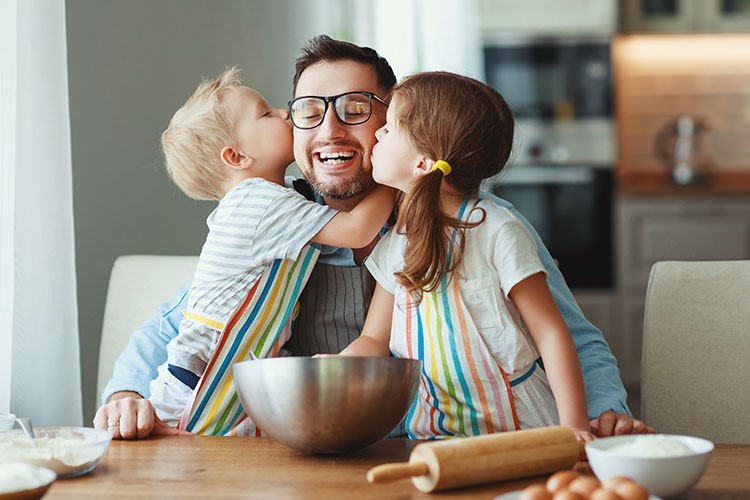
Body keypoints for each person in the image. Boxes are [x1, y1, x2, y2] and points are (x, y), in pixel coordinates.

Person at [94, 35, 653, 440]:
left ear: (403, 127)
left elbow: (570, 335)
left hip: (447, 446)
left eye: (357, 110)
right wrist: (126, 395)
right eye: (309, 113)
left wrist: (603, 412)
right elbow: (183, 322)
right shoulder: (283, 226)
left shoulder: (484, 225)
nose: (331, 130)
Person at [340, 71, 594, 442]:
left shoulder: (497, 230)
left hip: (522, 433)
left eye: (390, 128)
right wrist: (334, 369)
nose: (378, 133)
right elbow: (373, 340)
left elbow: (552, 333)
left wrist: (574, 428)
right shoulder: (397, 241)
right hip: (433, 437)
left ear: (423, 163)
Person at [147, 67, 393, 434]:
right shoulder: (257, 202)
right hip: (201, 374)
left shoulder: (283, 198)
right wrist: (398, 176)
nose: (284, 112)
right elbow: (358, 230)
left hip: (240, 365)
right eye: (265, 113)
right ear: (236, 157)